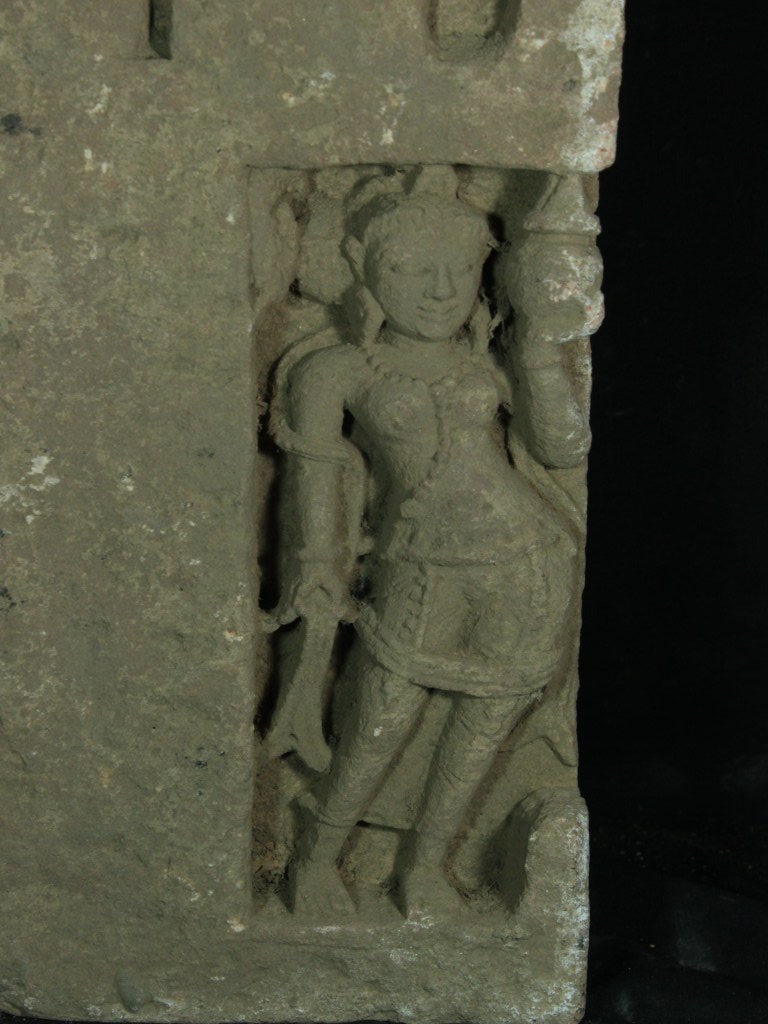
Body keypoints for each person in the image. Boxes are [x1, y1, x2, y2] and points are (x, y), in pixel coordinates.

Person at [267, 167, 592, 919]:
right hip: (420, 565)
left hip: (527, 562)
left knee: (483, 728)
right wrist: (316, 570)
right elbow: (314, 482)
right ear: (362, 268)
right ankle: (315, 857)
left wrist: (538, 350)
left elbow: (564, 448)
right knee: (378, 720)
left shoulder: (488, 362)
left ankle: (426, 868)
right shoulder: (336, 369)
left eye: (461, 269)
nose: (442, 291)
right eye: (413, 269)